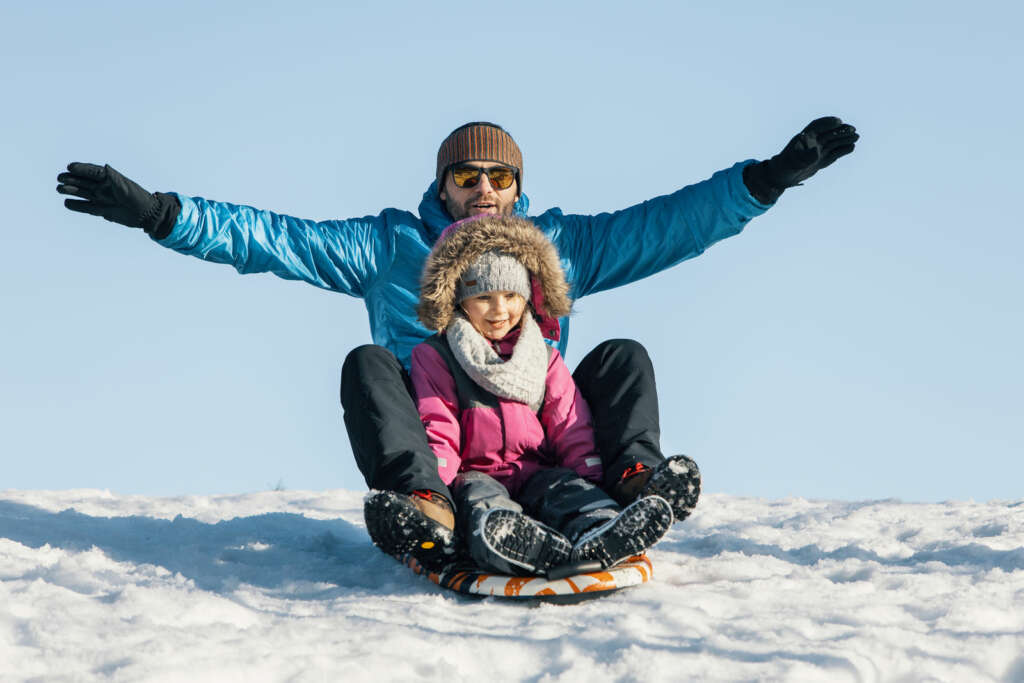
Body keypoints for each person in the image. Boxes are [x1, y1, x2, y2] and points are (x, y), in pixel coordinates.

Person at [55, 117, 859, 566]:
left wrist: (765, 180)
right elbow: (270, 238)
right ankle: (424, 506)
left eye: (498, 177)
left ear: (518, 188)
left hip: (539, 431)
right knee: (369, 364)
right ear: (442, 186)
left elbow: (667, 226)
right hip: (439, 433)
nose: (483, 189)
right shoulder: (389, 245)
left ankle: (632, 482)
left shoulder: (557, 247)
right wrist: (162, 213)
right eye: (467, 176)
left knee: (622, 357)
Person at [367, 213, 674, 575]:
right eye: (484, 296)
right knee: (483, 501)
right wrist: (443, 486)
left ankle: (602, 528)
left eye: (511, 296)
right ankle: (514, 543)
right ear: (460, 300)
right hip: (476, 472)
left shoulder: (542, 356)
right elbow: (438, 424)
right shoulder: (437, 356)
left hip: (537, 470)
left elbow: (570, 423)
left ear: (527, 297)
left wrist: (588, 476)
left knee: (568, 491)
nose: (500, 310)